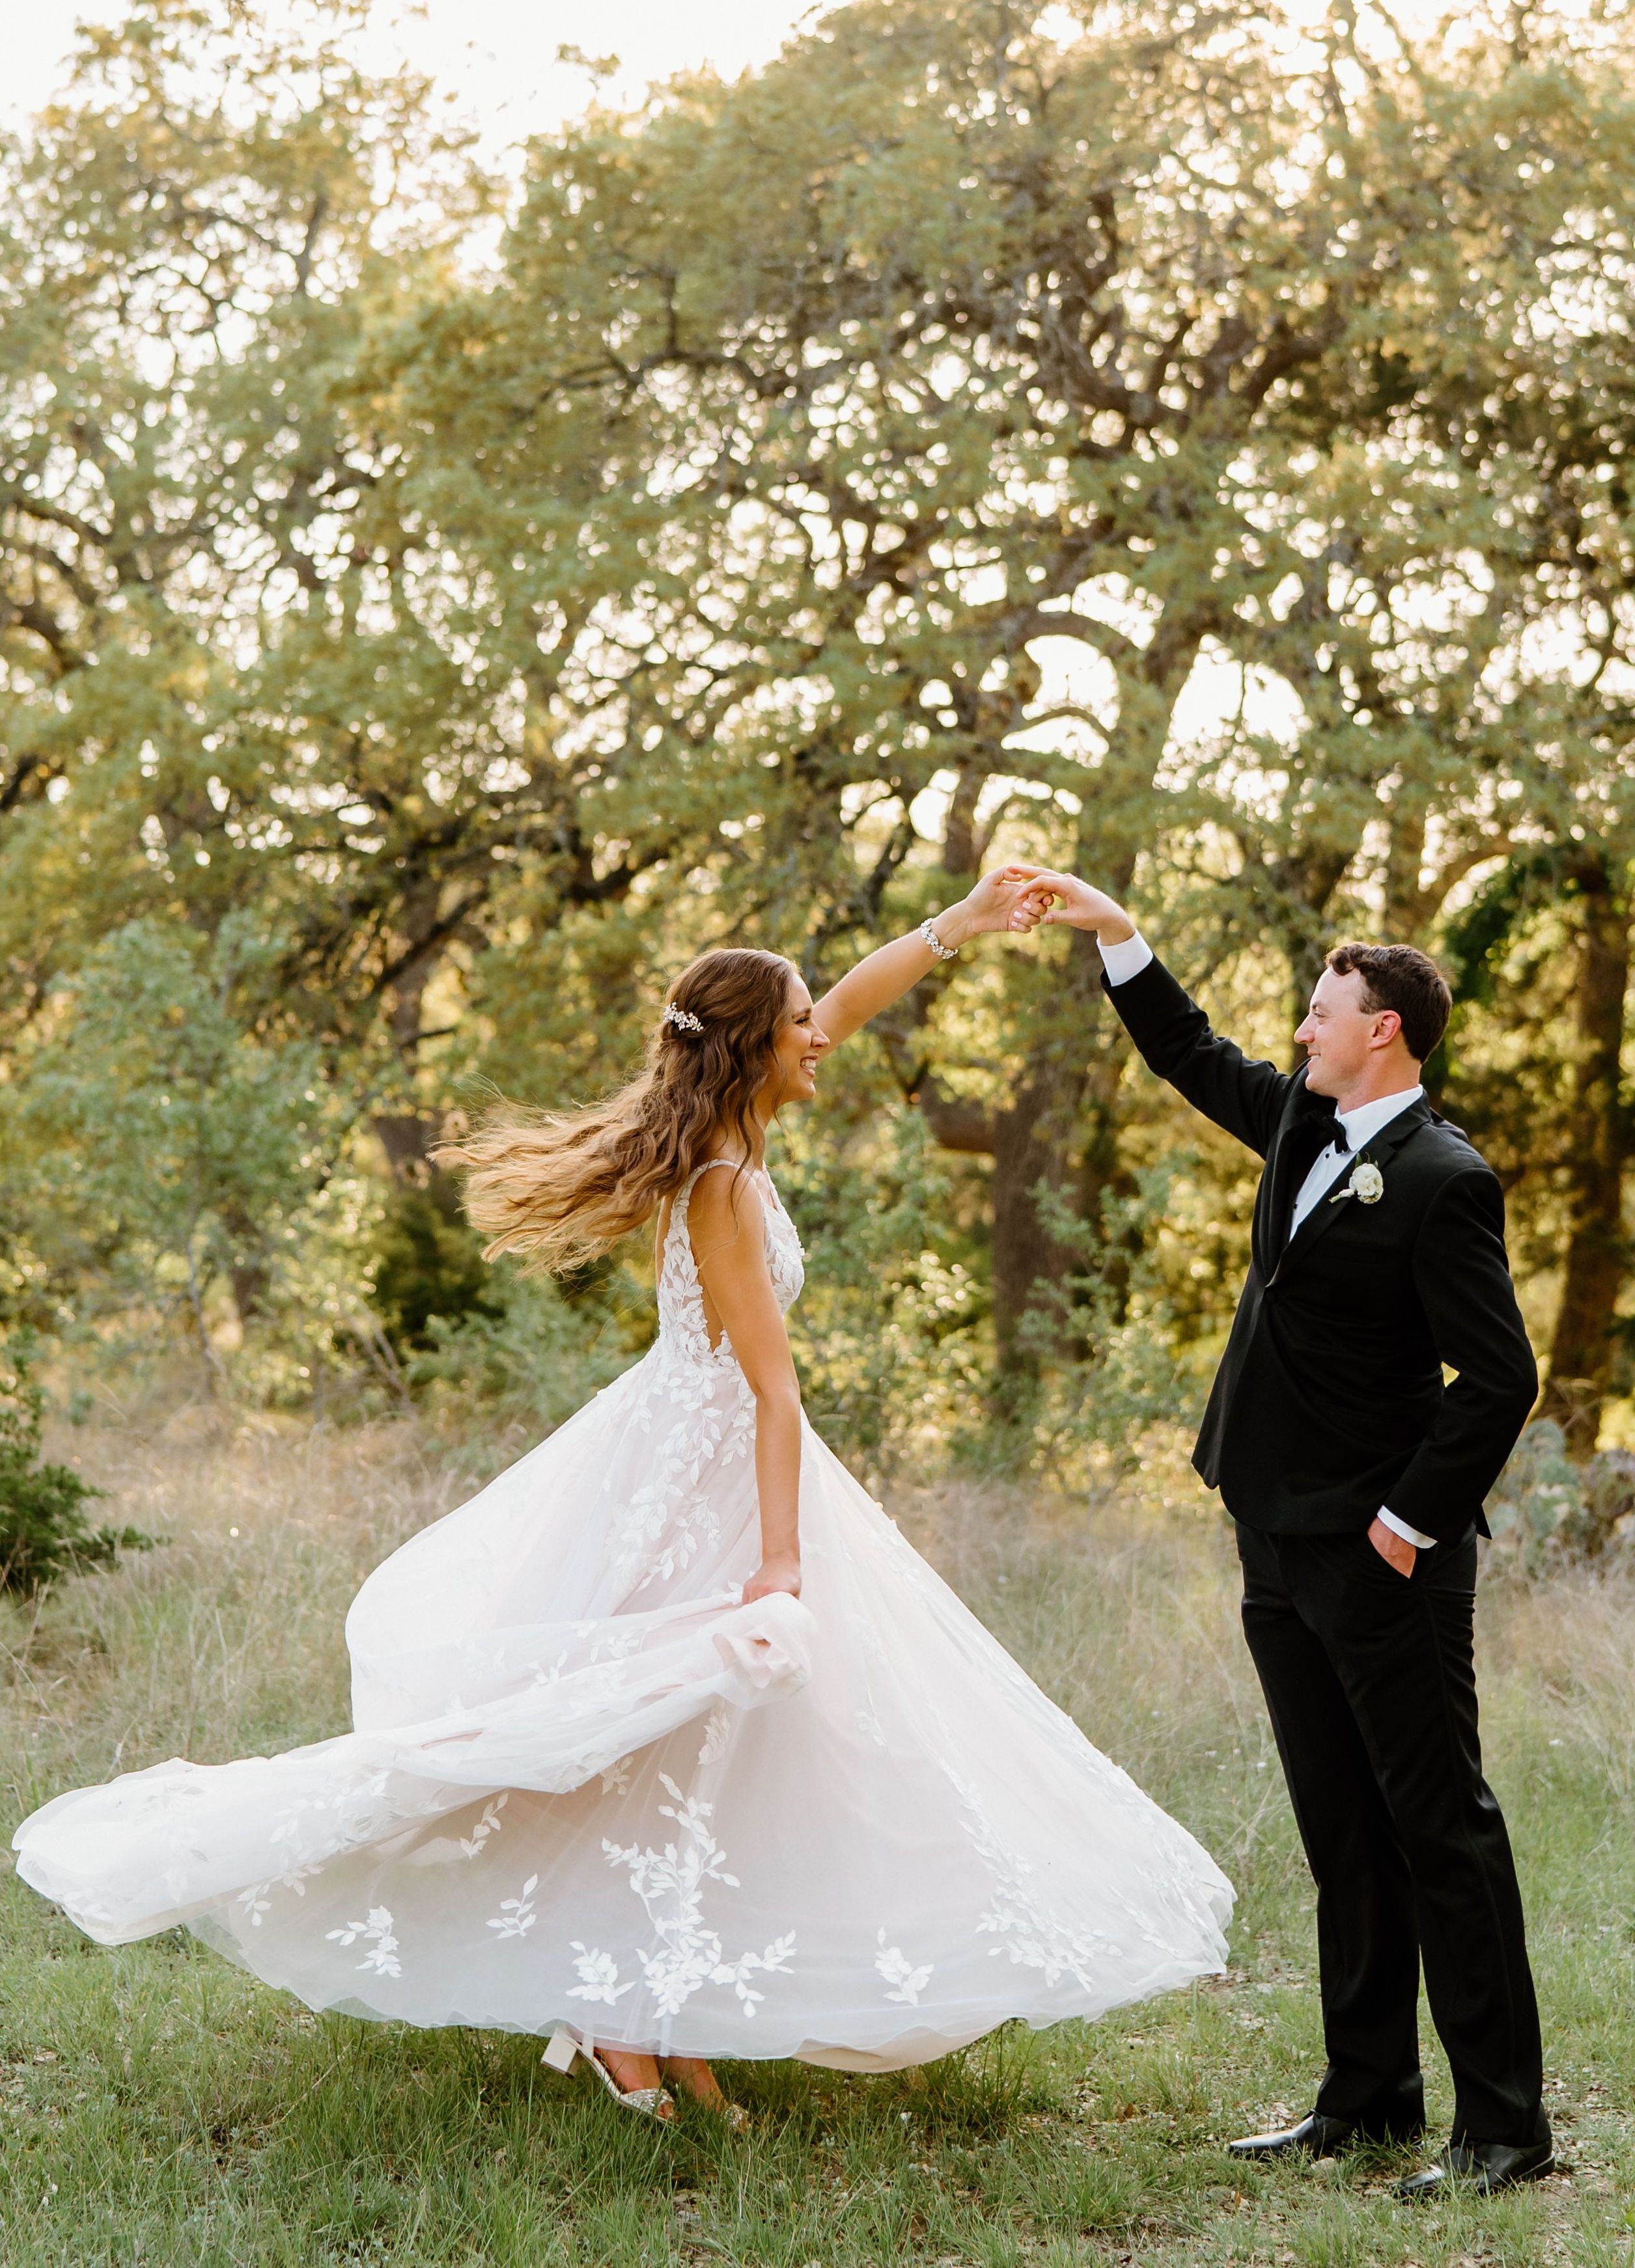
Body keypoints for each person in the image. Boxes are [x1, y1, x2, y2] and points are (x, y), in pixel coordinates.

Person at [13, 872, 1232, 2123]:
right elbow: (771, 1390)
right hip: (697, 1474)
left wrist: (960, 927)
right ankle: (622, 2018)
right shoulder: (723, 1187)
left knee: (701, 1744)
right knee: (641, 1732)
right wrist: (781, 1564)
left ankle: (660, 2012)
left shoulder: (737, 1140)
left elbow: (843, 1010)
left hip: (687, 1447)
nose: (825, 1038)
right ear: (757, 1049)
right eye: (800, 1024)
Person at [1006, 867, 1551, 2198]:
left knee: (1440, 1828)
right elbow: (1188, 1051)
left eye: (1321, 1011)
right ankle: (1363, 2100)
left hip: (1382, 1555)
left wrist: (1404, 1521)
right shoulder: (1304, 1131)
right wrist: (1114, 932)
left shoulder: (1439, 1176)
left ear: (1384, 1029)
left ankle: (1503, 2127)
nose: (1300, 1029)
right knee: (1339, 1834)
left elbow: (1498, 1379)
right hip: (1272, 1539)